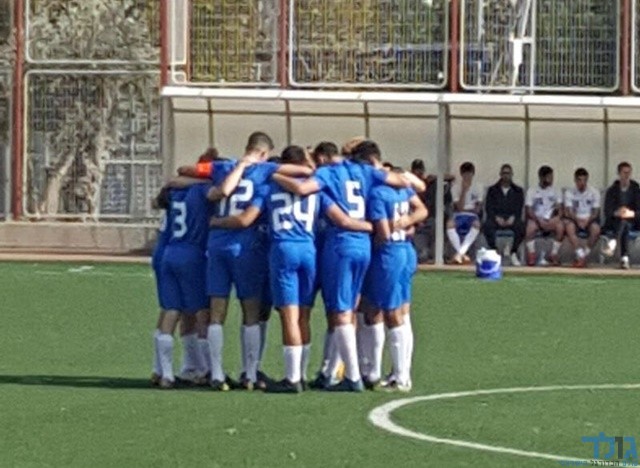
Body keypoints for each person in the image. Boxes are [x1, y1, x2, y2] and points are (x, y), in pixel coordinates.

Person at [272, 140, 424, 392]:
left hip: (341, 245)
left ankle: (353, 376)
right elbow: (407, 183)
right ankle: (344, 371)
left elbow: (305, 190)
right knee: (359, 310)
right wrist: (397, 221)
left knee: (342, 311)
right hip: (366, 246)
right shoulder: (365, 172)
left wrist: (271, 173)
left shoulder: (328, 174)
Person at [360, 165, 428, 392]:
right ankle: (397, 371)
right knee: (399, 311)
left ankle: (400, 376)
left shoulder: (378, 193)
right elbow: (422, 210)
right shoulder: (402, 190)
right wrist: (406, 222)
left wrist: (390, 226)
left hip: (388, 253)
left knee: (391, 312)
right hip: (405, 250)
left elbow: (383, 232)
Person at [154, 182, 213, 389]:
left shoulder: (176, 192)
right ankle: (207, 369)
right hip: (190, 253)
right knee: (201, 312)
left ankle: (164, 372)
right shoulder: (200, 191)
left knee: (171, 310)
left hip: (168, 251)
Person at [483, 164, 525, 266]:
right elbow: (488, 207)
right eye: (504, 173)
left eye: (508, 173)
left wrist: (513, 217)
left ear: (512, 174)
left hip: (511, 218)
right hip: (497, 218)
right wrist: (496, 218)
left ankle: (513, 252)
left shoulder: (518, 191)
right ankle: (494, 251)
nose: (506, 175)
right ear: (500, 174)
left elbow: (519, 207)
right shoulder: (492, 190)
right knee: (487, 226)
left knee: (521, 226)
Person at [601, 162, 640, 269]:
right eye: (624, 172)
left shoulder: (636, 190)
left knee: (625, 223)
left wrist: (630, 213)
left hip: (633, 221)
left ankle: (613, 243)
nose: (627, 175)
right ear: (619, 174)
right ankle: (624, 258)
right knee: (623, 223)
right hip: (615, 221)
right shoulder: (612, 191)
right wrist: (617, 212)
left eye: (629, 172)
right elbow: (607, 211)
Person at [524, 165, 564, 266]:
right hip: (537, 219)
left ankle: (553, 254)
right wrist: (538, 220)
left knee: (560, 227)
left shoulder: (556, 190)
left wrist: (556, 218)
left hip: (551, 219)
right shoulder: (532, 190)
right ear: (542, 177)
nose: (552, 179)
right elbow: (529, 210)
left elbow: (560, 209)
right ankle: (532, 254)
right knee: (530, 228)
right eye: (549, 177)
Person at [563, 168, 601, 268]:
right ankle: (580, 254)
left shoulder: (594, 192)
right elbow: (568, 211)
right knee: (569, 227)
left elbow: (596, 212)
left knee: (596, 229)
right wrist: (577, 220)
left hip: (589, 219)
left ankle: (583, 256)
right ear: (575, 180)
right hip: (575, 219)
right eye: (579, 180)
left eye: (584, 180)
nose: (582, 183)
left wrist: (588, 220)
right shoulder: (569, 192)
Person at [447, 162, 483, 264]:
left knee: (476, 224)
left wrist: (465, 209)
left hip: (472, 216)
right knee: (449, 224)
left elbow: (477, 209)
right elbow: (459, 208)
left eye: (469, 173)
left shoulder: (478, 187)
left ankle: (459, 254)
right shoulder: (455, 187)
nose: (467, 176)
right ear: (461, 174)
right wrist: (464, 190)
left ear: (473, 174)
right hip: (459, 216)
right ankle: (462, 254)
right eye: (465, 174)